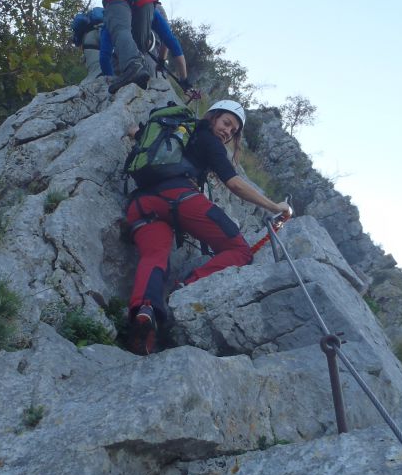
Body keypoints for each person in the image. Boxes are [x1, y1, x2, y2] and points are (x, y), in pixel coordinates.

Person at [124, 99, 292, 355]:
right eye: (226, 123)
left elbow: (136, 134)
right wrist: (274, 206)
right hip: (180, 197)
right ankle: (186, 287)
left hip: (141, 205)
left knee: (154, 256)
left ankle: (144, 314)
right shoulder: (208, 140)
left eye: (233, 131)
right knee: (240, 250)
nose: (227, 132)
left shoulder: (175, 132)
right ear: (213, 116)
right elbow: (234, 184)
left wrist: (136, 131)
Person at [102, 0, 167, 94]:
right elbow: (169, 39)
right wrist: (162, 60)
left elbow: (105, 51)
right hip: (150, 55)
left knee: (120, 31)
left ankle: (132, 68)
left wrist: (107, 77)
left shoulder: (115, 1)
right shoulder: (157, 8)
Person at [99, 2, 188, 85]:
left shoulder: (114, 11)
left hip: (121, 55)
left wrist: (108, 79)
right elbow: (169, 41)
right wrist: (184, 80)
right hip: (149, 55)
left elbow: (104, 56)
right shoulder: (153, 7)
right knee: (150, 86)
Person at [70, 7, 105, 82]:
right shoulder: (101, 27)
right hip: (98, 58)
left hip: (90, 55)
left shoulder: (84, 33)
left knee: (94, 77)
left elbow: (78, 43)